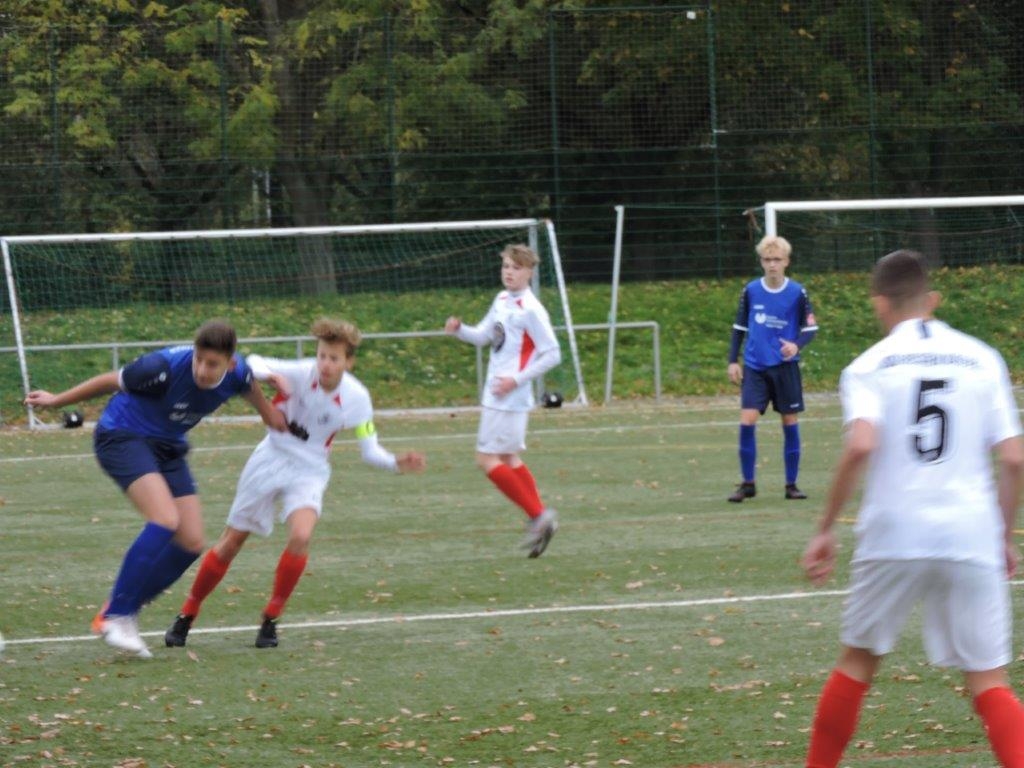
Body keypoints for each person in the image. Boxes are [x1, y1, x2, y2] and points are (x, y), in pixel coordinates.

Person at [800, 249, 1024, 767]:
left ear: (879, 304)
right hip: (970, 532)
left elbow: (860, 445)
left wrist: (825, 529)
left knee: (858, 661)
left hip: (893, 531)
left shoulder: (869, 366)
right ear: (933, 300)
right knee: (988, 679)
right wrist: (1002, 535)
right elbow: (1014, 457)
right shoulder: (983, 358)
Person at [24, 320, 287, 658]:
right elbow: (109, 381)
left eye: (212, 364)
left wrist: (281, 418)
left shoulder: (239, 374)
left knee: (191, 542)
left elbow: (260, 400)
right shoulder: (160, 368)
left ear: (230, 363)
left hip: (167, 446)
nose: (202, 370)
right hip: (122, 436)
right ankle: (117, 615)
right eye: (199, 360)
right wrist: (57, 400)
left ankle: (121, 609)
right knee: (164, 519)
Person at [165, 318, 426, 649]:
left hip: (310, 470)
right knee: (231, 542)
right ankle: (188, 612)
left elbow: (369, 449)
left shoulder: (357, 398)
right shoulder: (302, 372)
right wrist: (269, 375)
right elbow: (251, 362)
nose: (325, 364)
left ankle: (271, 618)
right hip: (270, 458)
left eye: (334, 358)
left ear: (349, 362)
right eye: (322, 355)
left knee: (301, 535)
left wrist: (395, 462)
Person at [445, 243, 561, 557]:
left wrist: (515, 380)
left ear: (529, 272)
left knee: (486, 459)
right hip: (499, 394)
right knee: (509, 458)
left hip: (508, 397)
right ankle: (540, 517)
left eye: (516, 268)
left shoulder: (531, 309)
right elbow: (485, 337)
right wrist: (460, 330)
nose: (509, 272)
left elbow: (553, 354)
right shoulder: (501, 299)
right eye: (506, 266)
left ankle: (538, 516)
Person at [727, 234, 818, 502]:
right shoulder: (751, 290)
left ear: (786, 261)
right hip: (755, 366)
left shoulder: (797, 292)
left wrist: (796, 345)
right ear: (761, 262)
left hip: (785, 368)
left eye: (777, 259)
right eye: (767, 260)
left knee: (789, 421)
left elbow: (810, 328)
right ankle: (748, 483)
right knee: (747, 420)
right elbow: (739, 328)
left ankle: (791, 485)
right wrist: (733, 360)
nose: (772, 265)